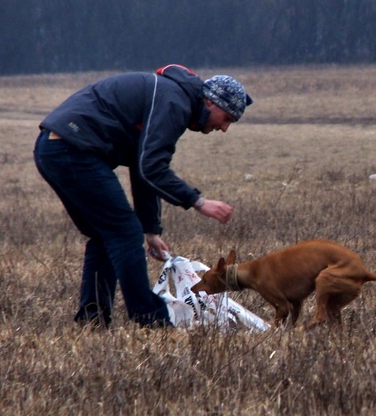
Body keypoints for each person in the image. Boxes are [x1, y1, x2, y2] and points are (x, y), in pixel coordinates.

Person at [33, 64, 253, 328]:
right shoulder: (175, 102)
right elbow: (151, 167)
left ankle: (94, 319)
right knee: (124, 233)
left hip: (53, 147)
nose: (225, 128)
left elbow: (142, 167)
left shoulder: (172, 97)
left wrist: (151, 229)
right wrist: (198, 202)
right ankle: (150, 318)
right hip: (73, 149)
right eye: (226, 118)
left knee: (107, 235)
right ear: (210, 101)